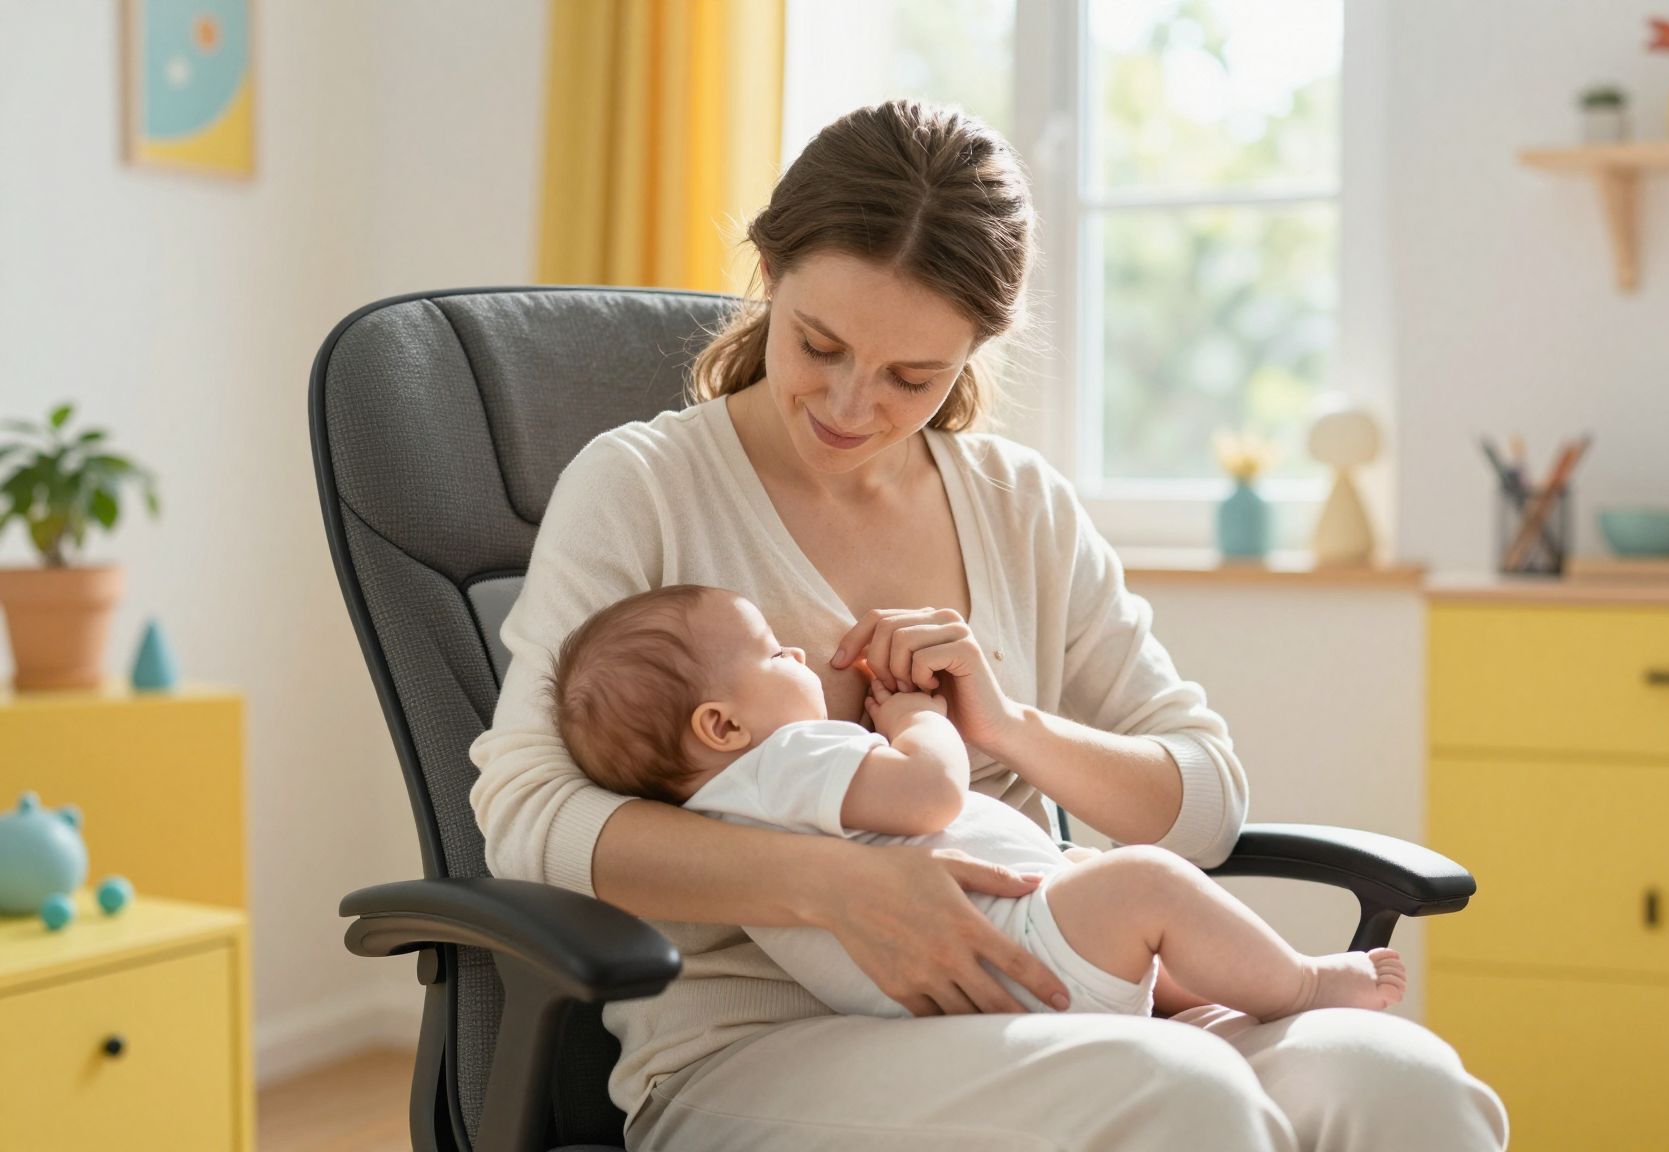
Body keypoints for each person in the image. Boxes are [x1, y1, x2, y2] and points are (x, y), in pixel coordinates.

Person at [469, 98, 1508, 1151]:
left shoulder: (1018, 505)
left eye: (911, 377)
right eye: (816, 344)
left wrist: (1008, 726)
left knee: (1400, 1082)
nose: (848, 403)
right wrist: (842, 889)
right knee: (1179, 1097)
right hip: (758, 1042)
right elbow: (523, 816)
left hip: (1066, 999)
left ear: (972, 353)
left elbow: (1199, 801)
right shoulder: (642, 487)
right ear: (768, 278)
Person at [547, 582, 1411, 1024]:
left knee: (1092, 874)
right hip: (1011, 952)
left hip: (976, 979)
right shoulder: (785, 762)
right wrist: (921, 723)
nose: (803, 654)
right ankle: (1299, 984)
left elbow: (1207, 791)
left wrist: (1009, 723)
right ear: (722, 723)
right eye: (777, 654)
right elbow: (929, 797)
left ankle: (1183, 1000)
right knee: (1144, 882)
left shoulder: (727, 805)